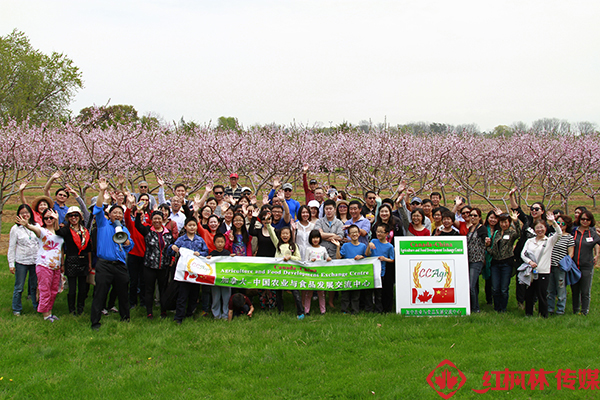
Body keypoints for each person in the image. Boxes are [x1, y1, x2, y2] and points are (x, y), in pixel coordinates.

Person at [90, 178, 134, 330]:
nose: (117, 215)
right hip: (104, 265)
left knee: (123, 292)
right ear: (109, 214)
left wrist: (127, 242)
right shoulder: (103, 223)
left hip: (120, 265)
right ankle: (95, 321)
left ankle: (125, 317)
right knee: (100, 293)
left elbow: (129, 245)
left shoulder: (123, 228)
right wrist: (102, 191)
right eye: (115, 212)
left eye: (120, 213)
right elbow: (97, 209)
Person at [16, 208, 63, 321]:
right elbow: (34, 229)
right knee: (45, 291)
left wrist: (57, 219)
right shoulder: (42, 231)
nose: (48, 219)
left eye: (51, 217)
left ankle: (50, 313)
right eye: (46, 218)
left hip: (55, 266)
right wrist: (27, 225)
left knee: (53, 291)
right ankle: (45, 315)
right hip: (44, 265)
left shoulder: (57, 232)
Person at [520, 212, 562, 318]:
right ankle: (528, 313)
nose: (540, 230)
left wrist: (553, 222)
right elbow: (523, 254)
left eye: (542, 228)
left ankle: (543, 315)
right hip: (530, 271)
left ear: (545, 229)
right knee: (529, 294)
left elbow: (559, 234)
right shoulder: (530, 241)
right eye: (537, 228)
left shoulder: (549, 241)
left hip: (543, 272)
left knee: (542, 294)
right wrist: (530, 262)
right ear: (534, 229)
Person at [135, 210, 175, 319]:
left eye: (159, 219)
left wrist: (171, 258)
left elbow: (171, 246)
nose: (157, 221)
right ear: (152, 220)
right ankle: (149, 312)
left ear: (163, 220)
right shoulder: (148, 231)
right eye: (155, 219)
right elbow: (137, 225)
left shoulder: (168, 232)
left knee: (163, 289)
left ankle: (163, 311)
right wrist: (138, 213)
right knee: (149, 289)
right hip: (150, 265)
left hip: (164, 265)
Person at [171, 217, 209, 324]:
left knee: (194, 294)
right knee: (182, 295)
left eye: (194, 225)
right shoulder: (181, 240)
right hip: (184, 273)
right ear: (185, 227)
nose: (192, 227)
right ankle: (179, 316)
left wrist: (200, 254)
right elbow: (173, 249)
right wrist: (173, 247)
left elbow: (206, 252)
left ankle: (190, 313)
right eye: (190, 225)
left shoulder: (200, 240)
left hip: (196, 273)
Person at [55, 206, 92, 315]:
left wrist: (89, 263)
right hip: (71, 261)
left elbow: (89, 248)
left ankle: (80, 308)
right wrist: (56, 219)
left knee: (82, 288)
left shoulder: (84, 231)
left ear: (79, 217)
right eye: (71, 216)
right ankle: (72, 309)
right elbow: (58, 232)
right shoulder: (66, 229)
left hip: (83, 261)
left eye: (76, 215)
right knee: (72, 289)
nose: (73, 218)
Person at [266, 223, 304, 318]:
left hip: (291, 273)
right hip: (279, 273)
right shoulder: (278, 244)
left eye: (287, 233)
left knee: (295, 292)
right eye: (283, 233)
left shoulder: (294, 245)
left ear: (290, 235)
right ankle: (280, 310)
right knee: (279, 293)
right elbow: (271, 234)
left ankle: (300, 312)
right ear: (280, 235)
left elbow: (299, 258)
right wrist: (267, 223)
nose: (285, 235)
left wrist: (290, 257)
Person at [8, 204, 39, 316]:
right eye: (22, 213)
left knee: (34, 286)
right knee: (19, 286)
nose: (25, 215)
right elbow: (11, 247)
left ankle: (36, 306)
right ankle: (16, 308)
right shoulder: (15, 229)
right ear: (18, 215)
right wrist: (11, 264)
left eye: (27, 212)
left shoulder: (36, 225)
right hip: (21, 261)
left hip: (35, 260)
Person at [333, 225, 371, 315]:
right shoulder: (346, 246)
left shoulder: (363, 246)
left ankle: (355, 310)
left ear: (359, 234)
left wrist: (362, 256)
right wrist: (338, 247)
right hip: (346, 274)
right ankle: (344, 310)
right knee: (345, 294)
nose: (354, 234)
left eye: (356, 232)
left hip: (357, 274)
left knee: (356, 295)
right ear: (349, 235)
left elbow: (367, 257)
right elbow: (338, 257)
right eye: (352, 233)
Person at [486, 211, 520, 313]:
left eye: (506, 222)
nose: (503, 224)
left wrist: (516, 221)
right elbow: (493, 249)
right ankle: (497, 307)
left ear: (509, 223)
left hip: (507, 263)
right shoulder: (496, 233)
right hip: (495, 263)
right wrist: (487, 247)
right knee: (495, 288)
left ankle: (503, 308)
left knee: (504, 288)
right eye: (501, 222)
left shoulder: (511, 233)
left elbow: (519, 234)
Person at [315, 199, 345, 308]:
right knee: (321, 277)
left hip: (334, 253)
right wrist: (332, 235)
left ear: (334, 210)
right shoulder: (319, 221)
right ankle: (321, 300)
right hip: (320, 253)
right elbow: (318, 235)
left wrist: (325, 234)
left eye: (330, 209)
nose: (328, 211)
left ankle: (331, 301)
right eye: (326, 209)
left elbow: (340, 237)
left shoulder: (339, 222)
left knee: (332, 278)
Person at [571, 210, 600, 315]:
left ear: (590, 221)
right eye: (582, 219)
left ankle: (584, 312)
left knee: (585, 290)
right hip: (574, 265)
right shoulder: (574, 231)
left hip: (587, 265)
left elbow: (598, 243)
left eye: (587, 219)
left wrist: (597, 255)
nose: (584, 221)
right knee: (575, 290)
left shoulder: (593, 234)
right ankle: (575, 310)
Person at [548, 215, 575, 315]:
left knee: (561, 289)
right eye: (558, 223)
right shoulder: (552, 235)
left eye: (562, 223)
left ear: (567, 225)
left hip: (560, 267)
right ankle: (549, 308)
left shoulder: (569, 237)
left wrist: (563, 264)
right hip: (550, 266)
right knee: (549, 289)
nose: (560, 225)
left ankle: (560, 310)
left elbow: (570, 254)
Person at [302, 230, 331, 315]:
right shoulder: (308, 249)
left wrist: (328, 259)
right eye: (313, 238)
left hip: (320, 274)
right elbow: (306, 261)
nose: (315, 240)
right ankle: (306, 310)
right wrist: (311, 261)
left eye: (317, 237)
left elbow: (327, 257)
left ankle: (323, 311)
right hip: (311, 274)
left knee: (321, 293)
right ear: (310, 239)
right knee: (309, 293)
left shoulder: (323, 248)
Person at [367, 224, 395, 313]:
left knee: (379, 293)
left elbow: (392, 259)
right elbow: (367, 254)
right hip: (371, 270)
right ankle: (369, 309)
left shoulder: (389, 246)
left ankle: (379, 309)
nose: (378, 234)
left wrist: (384, 259)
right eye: (377, 231)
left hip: (381, 272)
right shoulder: (373, 241)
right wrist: (368, 246)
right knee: (369, 292)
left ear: (386, 233)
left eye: (381, 232)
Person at [466, 208, 487, 313]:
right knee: (474, 284)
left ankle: (475, 309)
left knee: (471, 285)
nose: (472, 217)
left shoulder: (481, 228)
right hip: (468, 260)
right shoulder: (470, 228)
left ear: (479, 217)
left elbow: (485, 241)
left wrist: (487, 241)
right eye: (471, 215)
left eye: (475, 215)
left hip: (477, 260)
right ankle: (472, 304)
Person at [208, 233, 232, 319]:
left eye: (222, 242)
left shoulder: (227, 253)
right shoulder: (212, 254)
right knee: (216, 297)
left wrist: (232, 258)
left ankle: (225, 315)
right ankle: (216, 315)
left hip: (225, 279)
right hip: (215, 279)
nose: (220, 244)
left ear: (225, 243)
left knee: (226, 297)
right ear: (214, 243)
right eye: (218, 242)